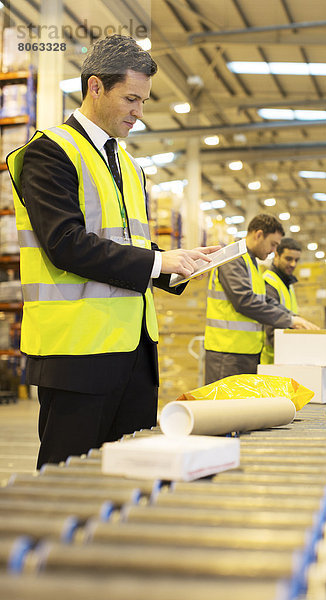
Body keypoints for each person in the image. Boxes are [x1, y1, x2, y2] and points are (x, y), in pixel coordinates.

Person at [7, 34, 219, 469]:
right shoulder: (50, 151)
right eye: (131, 99)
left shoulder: (129, 165)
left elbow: (128, 243)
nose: (139, 113)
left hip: (134, 353)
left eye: (143, 101)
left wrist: (177, 266)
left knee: (127, 478)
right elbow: (65, 244)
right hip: (77, 355)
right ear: (96, 87)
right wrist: (159, 261)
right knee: (69, 483)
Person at [204, 214, 318, 384]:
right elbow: (245, 301)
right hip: (227, 354)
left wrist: (294, 318)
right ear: (258, 235)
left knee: (242, 409)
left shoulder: (252, 263)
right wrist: (288, 320)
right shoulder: (233, 258)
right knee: (224, 409)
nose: (273, 250)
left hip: (246, 353)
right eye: (273, 244)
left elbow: (263, 299)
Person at [260, 237, 301, 364]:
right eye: (289, 259)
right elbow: (271, 326)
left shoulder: (288, 284)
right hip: (273, 359)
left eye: (296, 260)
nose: (293, 264)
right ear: (276, 255)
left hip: (285, 357)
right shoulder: (269, 281)